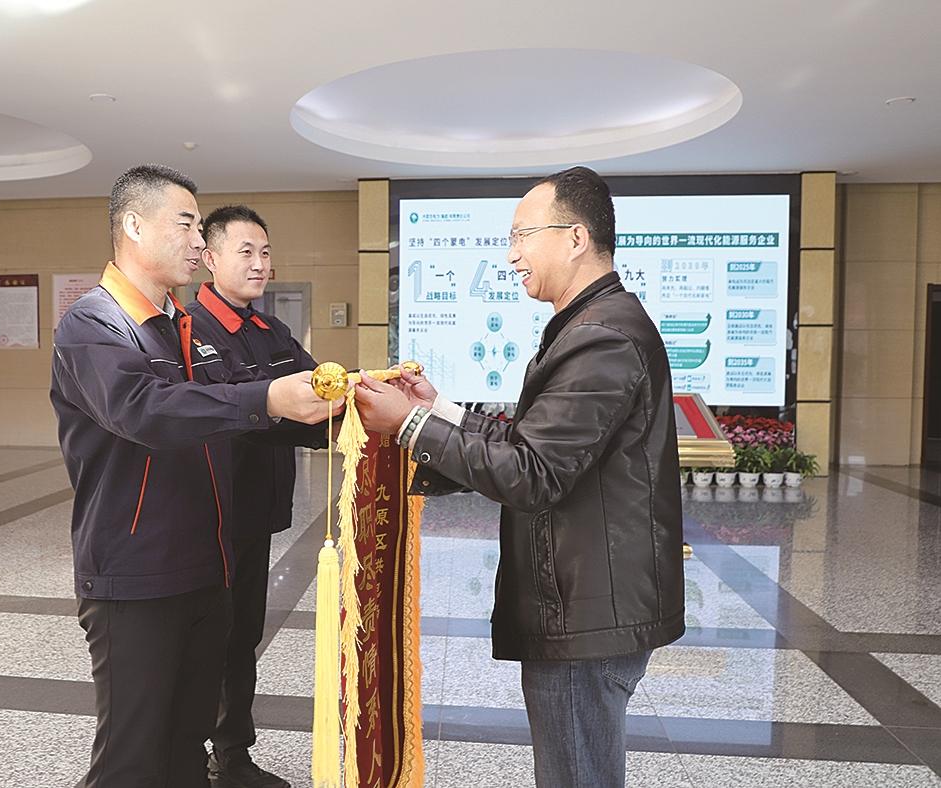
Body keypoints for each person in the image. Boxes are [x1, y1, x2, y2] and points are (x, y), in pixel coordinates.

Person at [355, 166, 684, 788]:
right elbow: (535, 440)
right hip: (589, 599)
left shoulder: (603, 337)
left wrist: (409, 426)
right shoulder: (592, 324)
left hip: (588, 611)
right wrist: (439, 411)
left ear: (576, 238)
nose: (511, 255)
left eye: (521, 236)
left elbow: (534, 473)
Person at [50, 165, 335, 788]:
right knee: (130, 762)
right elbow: (145, 410)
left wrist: (356, 414)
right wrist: (266, 397)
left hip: (206, 568)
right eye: (186, 224)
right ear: (133, 225)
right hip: (137, 574)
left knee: (184, 752)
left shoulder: (179, 324)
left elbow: (241, 422)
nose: (198, 242)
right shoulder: (94, 324)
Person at [187, 205, 323, 788]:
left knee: (242, 636)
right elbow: (225, 418)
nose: (260, 264)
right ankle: (188, 757)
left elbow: (318, 396)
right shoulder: (189, 330)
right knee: (205, 640)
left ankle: (233, 755)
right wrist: (285, 411)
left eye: (265, 252)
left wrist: (369, 404)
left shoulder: (273, 332)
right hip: (206, 517)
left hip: (255, 513)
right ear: (210, 258)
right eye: (246, 252)